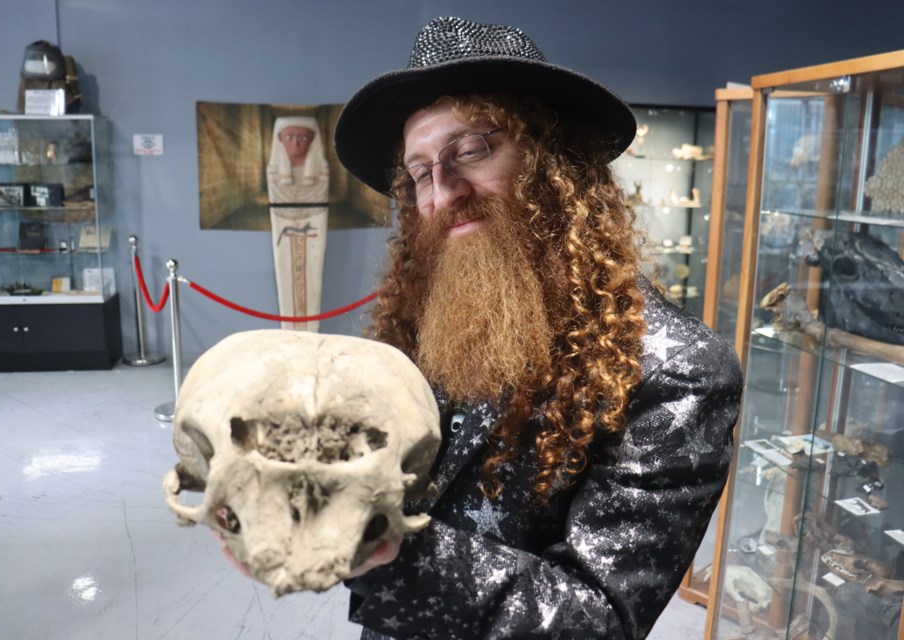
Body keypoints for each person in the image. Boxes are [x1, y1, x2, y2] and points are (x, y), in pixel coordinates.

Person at [328, 16, 743, 640]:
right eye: (418, 172)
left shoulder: (673, 369)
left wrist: (384, 547)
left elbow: (598, 617)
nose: (441, 192)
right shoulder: (427, 320)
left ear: (557, 162)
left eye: (469, 149)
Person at [266, 116, 330, 331]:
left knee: (311, 286)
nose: (295, 143)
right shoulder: (276, 173)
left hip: (313, 228)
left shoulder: (319, 173)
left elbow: (316, 206)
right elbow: (282, 205)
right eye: (289, 137)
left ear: (312, 140)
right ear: (279, 139)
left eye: (302, 137)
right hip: (284, 228)